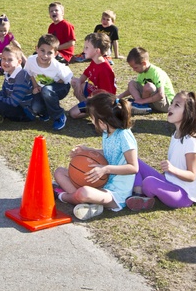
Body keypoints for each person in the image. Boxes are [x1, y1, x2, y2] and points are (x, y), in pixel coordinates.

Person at [53, 93, 138, 221]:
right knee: (59, 172)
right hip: (100, 183)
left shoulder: (125, 136)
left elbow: (133, 167)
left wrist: (105, 169)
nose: (91, 121)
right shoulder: (107, 131)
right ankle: (90, 204)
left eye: (92, 118)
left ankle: (62, 196)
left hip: (115, 194)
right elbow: (111, 152)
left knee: (84, 193)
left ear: (102, 122)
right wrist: (88, 151)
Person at [127, 91, 196, 211]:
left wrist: (172, 169)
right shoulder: (175, 135)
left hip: (183, 195)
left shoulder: (191, 142)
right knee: (133, 161)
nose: (170, 107)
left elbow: (192, 175)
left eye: (176, 105)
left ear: (189, 114)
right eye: (172, 103)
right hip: (168, 181)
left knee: (149, 182)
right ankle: (138, 194)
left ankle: (141, 190)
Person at [25, 34, 73, 131]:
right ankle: (46, 112)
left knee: (47, 91)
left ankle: (59, 115)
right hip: (42, 88)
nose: (45, 55)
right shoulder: (30, 60)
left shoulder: (57, 66)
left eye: (49, 52)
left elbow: (68, 79)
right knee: (35, 108)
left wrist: (55, 82)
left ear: (55, 54)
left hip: (60, 88)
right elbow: (29, 73)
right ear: (37, 49)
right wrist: (35, 86)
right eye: (42, 51)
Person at [67, 32, 116, 119]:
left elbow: (107, 95)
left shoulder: (104, 69)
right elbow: (86, 73)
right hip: (92, 93)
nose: (84, 50)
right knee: (75, 81)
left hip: (100, 101)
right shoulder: (95, 60)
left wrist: (92, 101)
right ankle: (86, 105)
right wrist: (79, 83)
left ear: (97, 51)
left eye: (87, 48)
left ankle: (97, 113)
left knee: (73, 113)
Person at [118, 47, 175, 115]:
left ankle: (142, 104)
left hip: (166, 105)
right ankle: (139, 104)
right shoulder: (142, 72)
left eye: (135, 67)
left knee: (148, 86)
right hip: (152, 101)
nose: (134, 70)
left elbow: (161, 95)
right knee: (132, 83)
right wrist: (119, 96)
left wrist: (143, 101)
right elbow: (133, 89)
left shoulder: (156, 73)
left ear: (144, 63)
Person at [0, 44, 33, 123]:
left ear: (19, 62)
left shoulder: (21, 76)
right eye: (3, 59)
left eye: (10, 60)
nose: (6, 62)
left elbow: (14, 102)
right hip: (12, 102)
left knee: (0, 105)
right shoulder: (8, 72)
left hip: (23, 110)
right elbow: (4, 92)